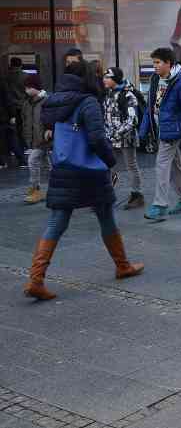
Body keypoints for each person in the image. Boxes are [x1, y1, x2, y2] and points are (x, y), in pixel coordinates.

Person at [23, 61, 144, 301]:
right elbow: (97, 138)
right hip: (90, 171)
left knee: (57, 221)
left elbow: (50, 130)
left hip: (63, 167)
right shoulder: (88, 102)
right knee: (105, 215)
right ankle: (122, 266)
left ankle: (35, 279)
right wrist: (110, 161)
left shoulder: (56, 100)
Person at [139, 47, 181, 222]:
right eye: (153, 63)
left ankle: (160, 205)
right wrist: (144, 130)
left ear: (168, 63)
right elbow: (151, 107)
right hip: (161, 129)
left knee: (162, 164)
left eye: (157, 62)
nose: (155, 66)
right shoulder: (156, 79)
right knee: (175, 166)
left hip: (172, 131)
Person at [102, 67, 144, 208]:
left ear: (115, 79)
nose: (104, 80)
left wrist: (116, 133)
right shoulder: (108, 93)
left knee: (131, 165)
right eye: (104, 77)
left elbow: (133, 120)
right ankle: (106, 195)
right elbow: (106, 115)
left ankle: (136, 195)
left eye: (108, 77)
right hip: (110, 136)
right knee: (109, 166)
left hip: (126, 136)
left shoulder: (127, 95)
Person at [22, 75, 50, 204]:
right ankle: (51, 189)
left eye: (28, 87)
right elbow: (26, 121)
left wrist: (49, 132)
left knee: (33, 161)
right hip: (35, 140)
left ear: (35, 87)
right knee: (47, 165)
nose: (26, 90)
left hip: (44, 140)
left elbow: (51, 119)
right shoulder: (27, 102)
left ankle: (36, 189)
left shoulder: (46, 100)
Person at [7, 57, 27, 167]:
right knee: (22, 129)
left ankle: (14, 150)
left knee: (13, 131)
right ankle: (23, 149)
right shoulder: (26, 76)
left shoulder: (6, 76)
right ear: (21, 64)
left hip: (10, 108)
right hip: (23, 106)